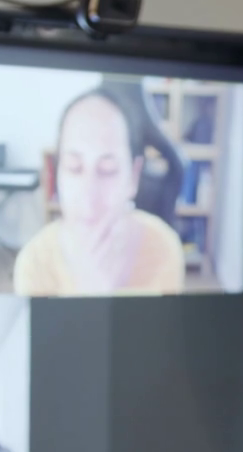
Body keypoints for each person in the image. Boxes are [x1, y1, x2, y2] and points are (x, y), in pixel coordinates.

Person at [12, 87, 186, 296]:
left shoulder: (163, 247)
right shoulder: (34, 263)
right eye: (74, 167)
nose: (89, 195)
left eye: (107, 170)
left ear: (133, 176)